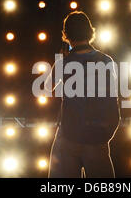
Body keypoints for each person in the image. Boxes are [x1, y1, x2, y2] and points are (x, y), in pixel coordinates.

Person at [45, 11, 120, 178]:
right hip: (98, 136)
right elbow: (113, 100)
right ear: (90, 31)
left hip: (68, 137)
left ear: (66, 34)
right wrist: (105, 135)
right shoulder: (106, 61)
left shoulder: (64, 63)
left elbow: (46, 90)